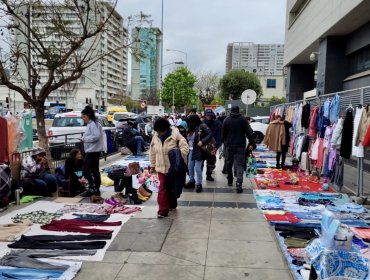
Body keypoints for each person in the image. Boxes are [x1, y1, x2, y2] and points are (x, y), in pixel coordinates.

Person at [149, 118, 189, 218]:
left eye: (160, 131)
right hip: (160, 168)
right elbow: (152, 152)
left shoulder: (176, 135)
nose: (158, 133)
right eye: (157, 131)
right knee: (162, 187)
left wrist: (178, 155)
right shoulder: (155, 137)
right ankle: (162, 210)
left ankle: (172, 204)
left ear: (166, 129)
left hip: (173, 169)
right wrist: (152, 165)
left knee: (171, 188)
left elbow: (185, 148)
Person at [222, 106, 255, 193]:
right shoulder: (243, 120)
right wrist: (252, 143)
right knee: (240, 164)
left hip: (229, 145)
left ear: (231, 111)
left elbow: (223, 134)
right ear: (238, 111)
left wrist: (225, 142)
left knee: (229, 163)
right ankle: (239, 183)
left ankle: (230, 180)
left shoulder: (227, 120)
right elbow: (249, 132)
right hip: (240, 145)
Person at [80, 106, 105, 197]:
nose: (83, 119)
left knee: (85, 169)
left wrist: (85, 139)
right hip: (94, 150)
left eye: (84, 117)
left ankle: (91, 188)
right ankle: (96, 189)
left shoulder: (93, 124)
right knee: (95, 170)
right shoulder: (94, 123)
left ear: (88, 116)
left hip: (93, 150)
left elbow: (96, 136)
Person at [185, 114, 213, 193]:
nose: (189, 123)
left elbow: (210, 134)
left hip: (198, 150)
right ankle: (191, 181)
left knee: (197, 167)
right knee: (190, 166)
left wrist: (202, 141)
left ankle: (199, 184)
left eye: (190, 122)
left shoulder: (202, 126)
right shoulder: (190, 127)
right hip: (190, 149)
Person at [203, 109, 222, 181]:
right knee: (201, 161)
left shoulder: (217, 123)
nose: (208, 117)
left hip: (213, 145)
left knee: (211, 161)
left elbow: (218, 135)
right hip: (203, 145)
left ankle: (208, 175)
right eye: (207, 115)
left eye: (209, 115)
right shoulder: (202, 123)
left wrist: (216, 145)